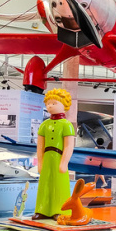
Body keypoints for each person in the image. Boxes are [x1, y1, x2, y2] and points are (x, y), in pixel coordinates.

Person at [35, 88, 75, 220]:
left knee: (59, 185)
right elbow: (40, 146)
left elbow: (69, 145)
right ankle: (42, 209)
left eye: (54, 103)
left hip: (59, 157)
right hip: (47, 157)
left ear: (64, 104)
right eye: (48, 103)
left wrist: (64, 162)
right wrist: (40, 162)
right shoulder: (44, 125)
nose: (50, 106)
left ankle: (60, 210)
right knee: (44, 184)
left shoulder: (66, 125)